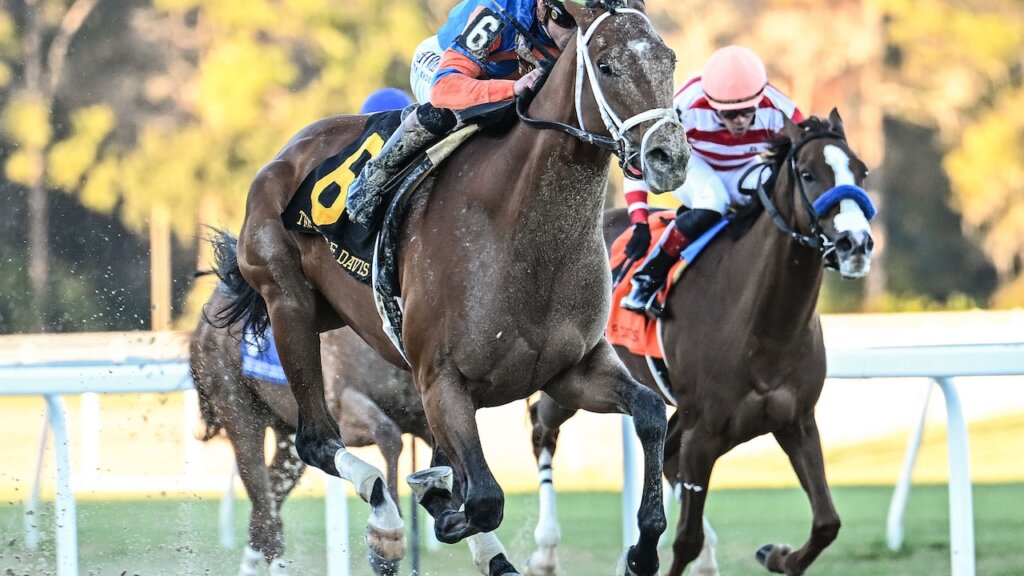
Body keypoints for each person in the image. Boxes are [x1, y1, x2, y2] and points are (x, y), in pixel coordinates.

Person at [345, 0, 577, 227]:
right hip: (443, 67)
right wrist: (511, 89)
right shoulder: (497, 12)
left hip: (501, 77)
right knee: (447, 111)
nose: (576, 34)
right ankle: (372, 181)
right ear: (542, 6)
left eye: (586, 20)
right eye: (568, 19)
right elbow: (444, 88)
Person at [620, 45, 804, 317]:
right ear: (710, 103)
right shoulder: (685, 104)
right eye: (729, 114)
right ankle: (646, 279)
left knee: (780, 189)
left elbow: (813, 153)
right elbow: (639, 161)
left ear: (760, 99)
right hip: (695, 163)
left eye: (747, 111)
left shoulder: (779, 107)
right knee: (714, 199)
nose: (740, 121)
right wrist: (639, 221)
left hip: (744, 166)